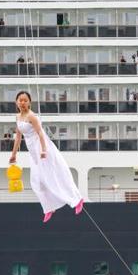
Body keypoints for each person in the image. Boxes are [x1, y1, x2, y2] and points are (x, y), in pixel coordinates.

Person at [9, 90, 83, 222]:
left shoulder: (32, 117)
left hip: (41, 147)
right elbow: (18, 137)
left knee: (54, 176)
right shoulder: (17, 117)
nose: (22, 102)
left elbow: (41, 133)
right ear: (16, 102)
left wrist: (44, 150)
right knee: (36, 182)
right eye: (20, 100)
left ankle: (76, 200)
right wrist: (14, 154)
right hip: (32, 151)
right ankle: (49, 207)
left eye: (25, 100)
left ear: (29, 102)